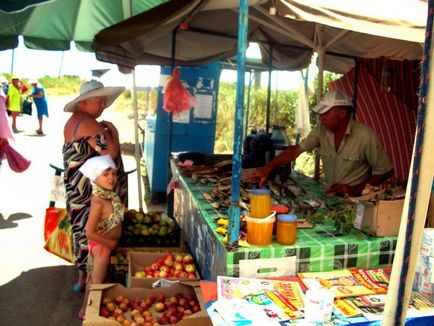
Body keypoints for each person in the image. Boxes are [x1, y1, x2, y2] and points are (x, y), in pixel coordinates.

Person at [248, 89, 394, 197]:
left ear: (342, 114)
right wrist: (268, 168)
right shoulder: (321, 131)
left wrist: (354, 189)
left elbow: (385, 171)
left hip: (357, 202)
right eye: (320, 114)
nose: (321, 119)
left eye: (326, 114)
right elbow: (295, 150)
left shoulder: (365, 135)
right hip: (331, 198)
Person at [63, 80, 127, 294]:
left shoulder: (75, 121)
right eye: (99, 102)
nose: (102, 106)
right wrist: (115, 134)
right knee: (93, 231)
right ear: (84, 103)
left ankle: (82, 279)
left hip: (77, 188)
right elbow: (110, 152)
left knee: (80, 230)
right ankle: (94, 282)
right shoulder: (87, 122)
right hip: (88, 190)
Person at [77, 155, 124, 320]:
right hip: (102, 247)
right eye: (106, 174)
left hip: (105, 245)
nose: (111, 178)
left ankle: (95, 309)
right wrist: (110, 243)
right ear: (95, 178)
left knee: (102, 278)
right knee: (96, 282)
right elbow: (89, 232)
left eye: (114, 173)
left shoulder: (108, 196)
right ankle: (87, 313)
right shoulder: (98, 202)